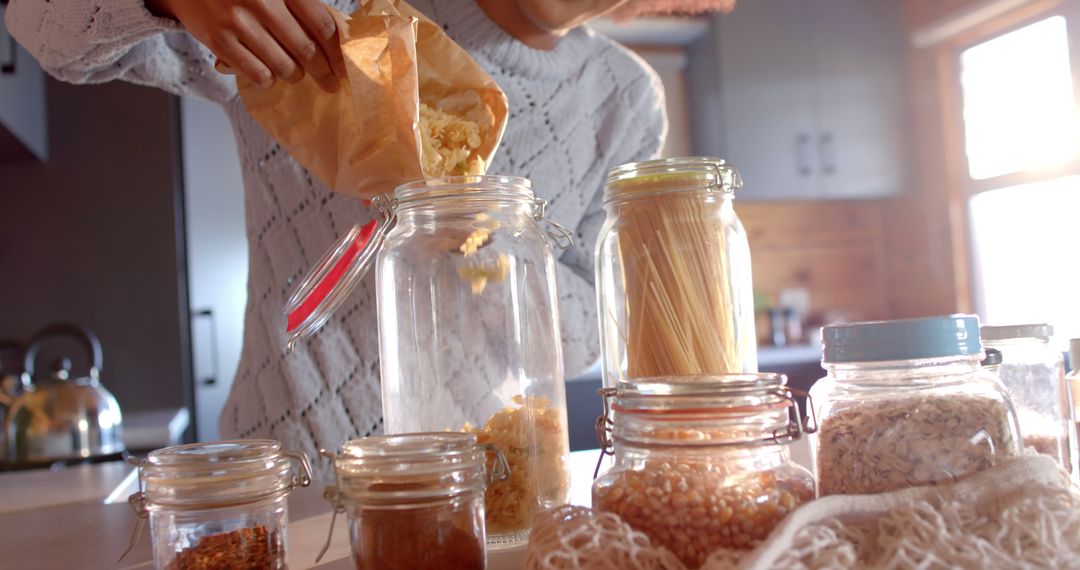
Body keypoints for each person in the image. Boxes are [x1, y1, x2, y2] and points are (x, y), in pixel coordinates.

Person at [5, 0, 717, 475]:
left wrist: (488, 243)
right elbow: (43, 28)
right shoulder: (348, 12)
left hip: (481, 488)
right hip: (287, 471)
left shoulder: (625, 98)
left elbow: (598, 333)